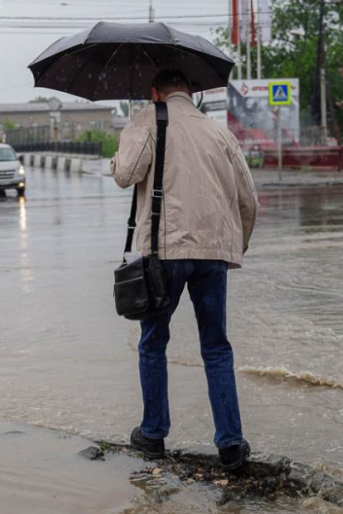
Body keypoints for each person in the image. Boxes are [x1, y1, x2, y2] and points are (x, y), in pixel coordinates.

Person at [110, 69, 259, 471]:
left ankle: (153, 434)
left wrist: (120, 151)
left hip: (166, 251)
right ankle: (231, 444)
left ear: (154, 92)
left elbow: (126, 174)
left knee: (153, 342)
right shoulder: (218, 131)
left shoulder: (148, 120)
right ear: (191, 92)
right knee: (216, 346)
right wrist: (234, 246)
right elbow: (249, 198)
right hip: (214, 253)